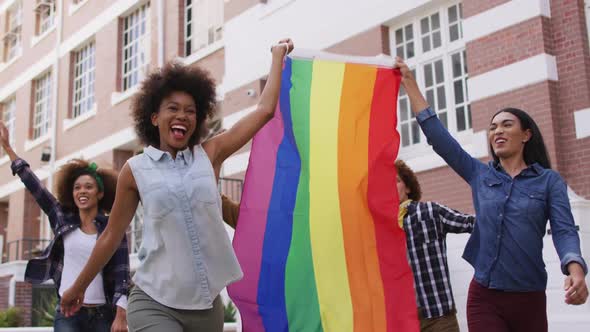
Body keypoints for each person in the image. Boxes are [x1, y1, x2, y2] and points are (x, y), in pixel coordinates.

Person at [60, 39, 294, 331]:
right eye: (173, 108)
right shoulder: (135, 170)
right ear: (155, 117)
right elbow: (110, 236)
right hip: (153, 300)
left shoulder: (209, 154)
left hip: (206, 306)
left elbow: (264, 111)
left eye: (190, 111)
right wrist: (78, 287)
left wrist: (276, 57)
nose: (182, 115)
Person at [394, 57, 588, 332]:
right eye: (493, 127)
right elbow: (439, 138)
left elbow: (565, 230)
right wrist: (409, 83)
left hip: (529, 298)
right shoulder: (479, 174)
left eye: (507, 125)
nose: (497, 130)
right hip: (484, 296)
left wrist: (575, 270)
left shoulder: (548, 182)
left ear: (526, 134)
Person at [0, 123, 129, 332]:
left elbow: (122, 272)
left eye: (89, 186)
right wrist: (7, 147)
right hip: (69, 313)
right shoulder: (62, 218)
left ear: (100, 193)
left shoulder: (112, 227)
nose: (82, 191)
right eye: (77, 187)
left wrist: (121, 315)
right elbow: (34, 186)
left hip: (103, 315)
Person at [395, 159, 474, 332]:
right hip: (400, 322)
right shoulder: (377, 229)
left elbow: (473, 224)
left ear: (408, 187)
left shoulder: (430, 212)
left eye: (396, 181)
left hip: (439, 318)